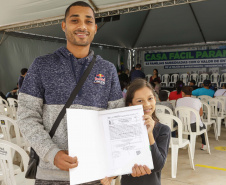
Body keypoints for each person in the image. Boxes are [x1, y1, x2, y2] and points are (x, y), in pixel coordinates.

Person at [17, 1, 124, 185]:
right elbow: (26, 116)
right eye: (75, 20)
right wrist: (52, 153)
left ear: (95, 28)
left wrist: (117, 163)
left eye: (88, 21)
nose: (82, 26)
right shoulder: (42, 65)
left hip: (94, 174)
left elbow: (116, 118)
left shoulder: (107, 69)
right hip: (51, 175)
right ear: (64, 26)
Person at [121, 79, 171, 185]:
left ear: (155, 100)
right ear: (130, 104)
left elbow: (158, 165)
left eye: (150, 98)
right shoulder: (123, 130)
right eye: (140, 101)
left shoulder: (163, 130)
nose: (147, 104)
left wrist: (149, 133)